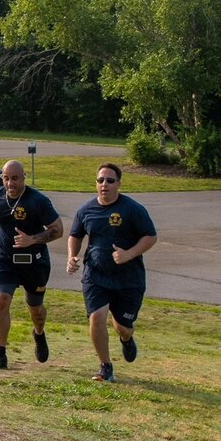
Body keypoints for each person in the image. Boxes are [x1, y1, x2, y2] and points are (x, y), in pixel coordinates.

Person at [66, 163, 156, 383]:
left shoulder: (133, 209)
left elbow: (150, 236)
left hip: (128, 278)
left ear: (119, 184)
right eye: (100, 180)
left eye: (109, 180)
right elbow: (75, 235)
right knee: (97, 317)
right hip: (96, 275)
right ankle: (105, 366)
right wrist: (72, 256)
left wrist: (129, 254)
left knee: (123, 326)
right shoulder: (85, 210)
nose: (104, 185)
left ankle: (126, 339)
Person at [0, 159, 63, 369]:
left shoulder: (38, 201)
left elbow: (58, 229)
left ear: (24, 177)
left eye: (15, 178)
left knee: (36, 310)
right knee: (2, 300)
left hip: (35, 263)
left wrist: (33, 239)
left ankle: (39, 333)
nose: (10, 183)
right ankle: (0, 353)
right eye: (6, 178)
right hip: (5, 260)